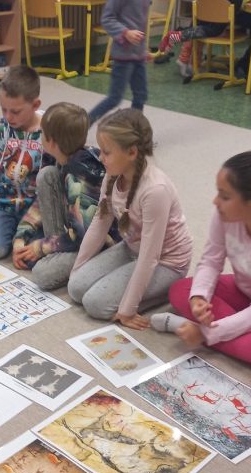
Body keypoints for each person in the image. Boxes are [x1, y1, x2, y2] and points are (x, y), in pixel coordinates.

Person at [68, 109, 192, 330]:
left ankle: (164, 291)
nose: (100, 157)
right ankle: (129, 290)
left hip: (167, 262)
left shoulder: (155, 190)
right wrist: (77, 270)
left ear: (132, 152)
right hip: (133, 247)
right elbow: (99, 224)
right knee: (76, 288)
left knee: (95, 304)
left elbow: (150, 256)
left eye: (106, 152)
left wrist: (127, 309)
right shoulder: (112, 172)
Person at [152, 151, 251, 369]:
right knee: (181, 290)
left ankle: (204, 332)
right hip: (245, 292)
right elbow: (210, 261)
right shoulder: (224, 214)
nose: (215, 201)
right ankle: (237, 330)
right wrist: (199, 298)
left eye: (225, 196)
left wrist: (205, 333)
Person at [12, 102, 120, 290]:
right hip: (76, 232)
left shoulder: (78, 178)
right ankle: (54, 249)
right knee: (47, 174)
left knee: (42, 274)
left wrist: (41, 247)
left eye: (42, 133)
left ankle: (87, 266)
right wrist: (21, 235)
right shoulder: (60, 157)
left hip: (99, 244)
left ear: (52, 142)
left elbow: (84, 237)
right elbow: (41, 203)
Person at [0, 65, 53, 259]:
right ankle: (10, 228)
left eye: (16, 111)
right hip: (3, 205)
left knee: (33, 253)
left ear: (35, 104)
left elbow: (56, 179)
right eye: (4, 109)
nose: (8, 117)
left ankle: (26, 233)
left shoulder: (49, 132)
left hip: (36, 208)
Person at [88, 0, 152, 126]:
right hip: (123, 55)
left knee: (141, 95)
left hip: (138, 54)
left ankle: (134, 130)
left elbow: (141, 22)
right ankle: (84, 123)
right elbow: (107, 19)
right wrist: (125, 33)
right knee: (115, 97)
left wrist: (143, 49)